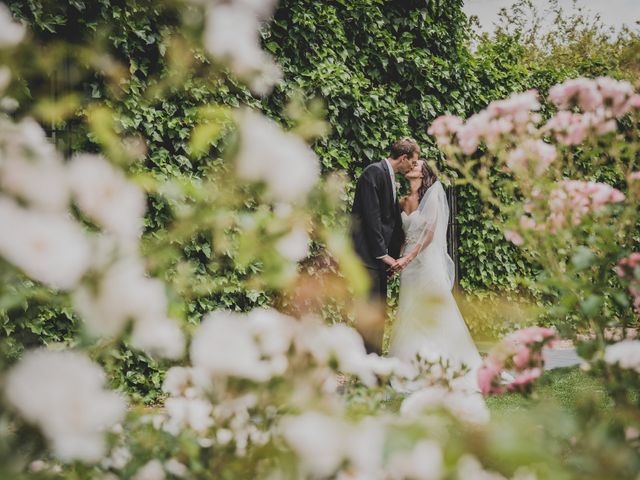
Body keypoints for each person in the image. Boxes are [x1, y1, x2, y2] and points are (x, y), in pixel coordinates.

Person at [389, 159, 482, 392]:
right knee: (409, 311)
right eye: (411, 164)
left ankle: (445, 365)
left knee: (435, 312)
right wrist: (396, 263)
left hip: (427, 264)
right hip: (407, 267)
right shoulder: (401, 200)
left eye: (418, 164)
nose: (412, 166)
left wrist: (409, 258)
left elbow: (429, 234)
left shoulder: (433, 194)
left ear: (425, 172)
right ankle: (410, 367)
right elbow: (403, 237)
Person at [350, 138, 419, 355]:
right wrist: (383, 255)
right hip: (367, 257)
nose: (413, 166)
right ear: (403, 158)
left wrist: (390, 257)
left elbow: (389, 222)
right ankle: (366, 365)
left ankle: (374, 363)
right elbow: (372, 218)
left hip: (377, 259)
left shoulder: (388, 176)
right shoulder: (374, 172)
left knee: (377, 312)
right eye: (413, 161)